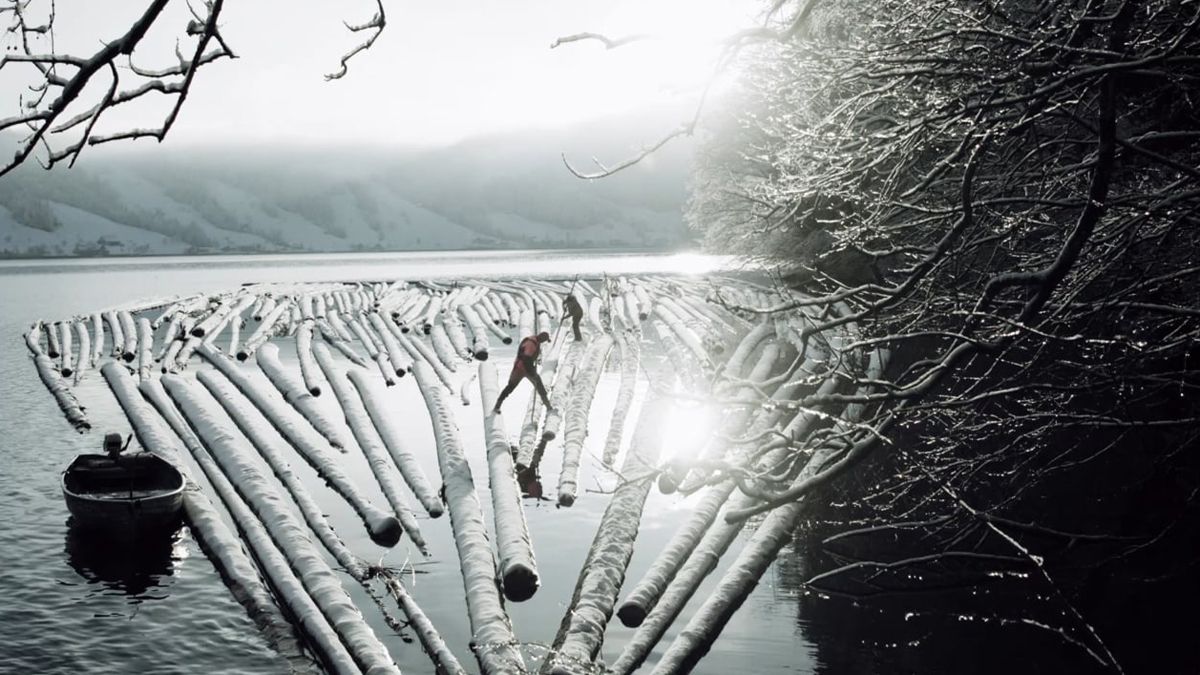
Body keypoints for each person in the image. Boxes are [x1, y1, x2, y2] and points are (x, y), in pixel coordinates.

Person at [493, 331, 552, 413]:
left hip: (526, 367)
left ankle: (548, 406)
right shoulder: (531, 343)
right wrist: (532, 372)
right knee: (510, 387)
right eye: (544, 340)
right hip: (521, 368)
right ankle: (497, 406)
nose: (544, 342)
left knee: (540, 386)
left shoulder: (535, 341)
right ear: (541, 338)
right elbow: (526, 358)